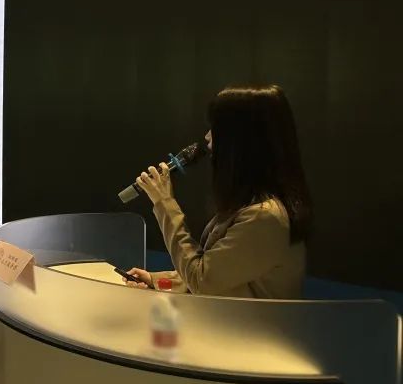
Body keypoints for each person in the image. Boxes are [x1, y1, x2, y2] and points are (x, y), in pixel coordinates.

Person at [125, 85, 311, 298]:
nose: (207, 137)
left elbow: (202, 280)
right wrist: (156, 280)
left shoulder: (265, 217)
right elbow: (222, 273)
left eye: (216, 128)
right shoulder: (252, 207)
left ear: (241, 140)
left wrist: (164, 203)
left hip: (242, 321)